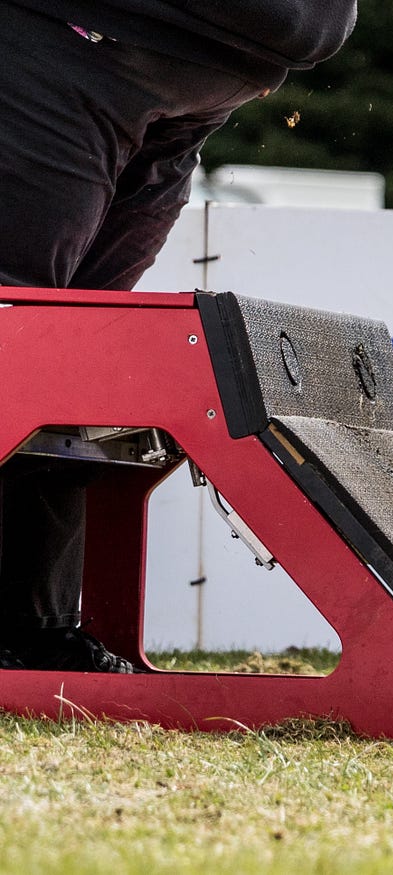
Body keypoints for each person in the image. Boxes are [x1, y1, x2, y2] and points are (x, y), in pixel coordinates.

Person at [0, 0, 357, 672]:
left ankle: (29, 628)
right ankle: (28, 626)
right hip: (69, 46)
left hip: (197, 83)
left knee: (65, 356)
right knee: (21, 332)